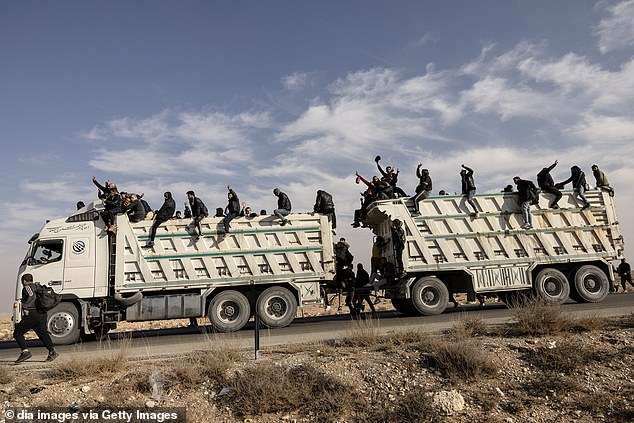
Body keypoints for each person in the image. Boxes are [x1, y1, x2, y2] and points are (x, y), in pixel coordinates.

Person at [13, 274, 58, 363]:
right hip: (41, 313)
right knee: (42, 333)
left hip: (33, 313)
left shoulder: (27, 287)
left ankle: (25, 352)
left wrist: (26, 307)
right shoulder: (38, 286)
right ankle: (52, 351)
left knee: (17, 332)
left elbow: (32, 296)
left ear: (24, 281)